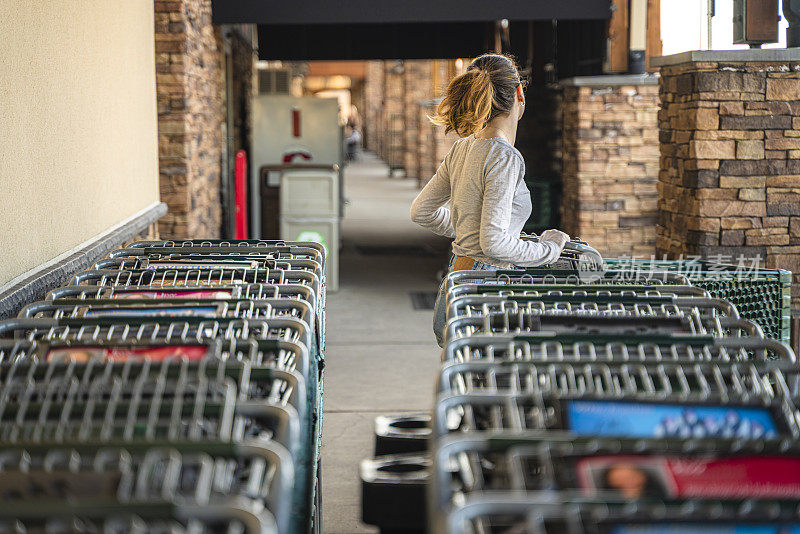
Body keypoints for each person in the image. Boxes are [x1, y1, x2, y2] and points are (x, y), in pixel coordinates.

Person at [409, 53, 570, 346]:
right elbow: (493, 242)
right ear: (519, 93)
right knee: (489, 381)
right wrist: (550, 249)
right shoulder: (505, 157)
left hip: (458, 275)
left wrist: (469, 230)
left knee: (466, 380)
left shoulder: (462, 148)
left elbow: (422, 212)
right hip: (487, 285)